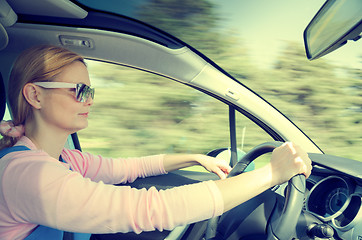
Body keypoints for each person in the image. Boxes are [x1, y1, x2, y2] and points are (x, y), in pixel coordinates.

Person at [0, 45, 312, 240]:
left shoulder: (66, 159)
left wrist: (196, 158)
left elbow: (130, 168)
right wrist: (271, 174)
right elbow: (149, 209)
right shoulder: (27, 174)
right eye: (80, 90)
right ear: (35, 95)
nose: (90, 101)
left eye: (91, 92)